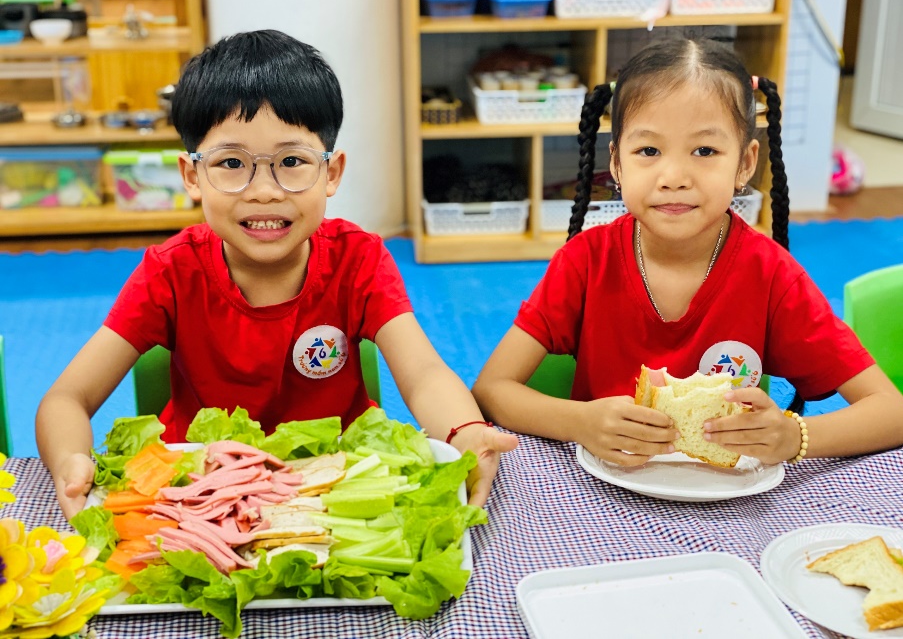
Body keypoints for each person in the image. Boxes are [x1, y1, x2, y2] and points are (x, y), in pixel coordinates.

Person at [37, 30, 517, 519]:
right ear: (191, 176)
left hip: (336, 486)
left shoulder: (359, 260)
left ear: (330, 173)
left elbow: (424, 376)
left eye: (291, 161)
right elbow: (66, 398)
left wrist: (463, 432)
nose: (263, 191)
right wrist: (71, 463)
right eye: (230, 163)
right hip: (203, 496)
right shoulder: (171, 272)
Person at [472, 38, 903, 469]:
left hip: (733, 508)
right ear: (617, 165)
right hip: (604, 495)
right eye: (648, 151)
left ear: (745, 163)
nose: (674, 176)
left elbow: (891, 411)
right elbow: (491, 389)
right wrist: (579, 421)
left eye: (705, 151)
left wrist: (795, 436)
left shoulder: (771, 276)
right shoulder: (585, 262)